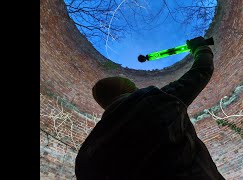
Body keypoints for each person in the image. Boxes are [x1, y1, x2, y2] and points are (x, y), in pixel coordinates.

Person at [75, 37, 225, 180]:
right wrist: (201, 48)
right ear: (129, 89)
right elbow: (201, 71)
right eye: (133, 85)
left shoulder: (86, 155)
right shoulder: (153, 100)